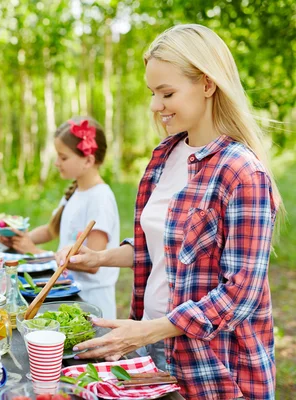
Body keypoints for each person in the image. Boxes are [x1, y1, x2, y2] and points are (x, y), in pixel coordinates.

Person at [55, 24, 280, 400]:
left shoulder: (242, 172)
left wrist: (150, 329)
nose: (156, 106)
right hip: (156, 354)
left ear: (207, 85)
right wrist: (101, 257)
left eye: (167, 93)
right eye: (153, 93)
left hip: (217, 368)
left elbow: (241, 295)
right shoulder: (164, 156)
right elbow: (159, 247)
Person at [0, 116, 120, 319]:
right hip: (70, 295)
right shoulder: (76, 191)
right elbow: (50, 230)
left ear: (88, 160)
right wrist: (18, 237)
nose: (57, 163)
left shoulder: (100, 199)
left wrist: (37, 253)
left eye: (63, 158)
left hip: (92, 305)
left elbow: (94, 263)